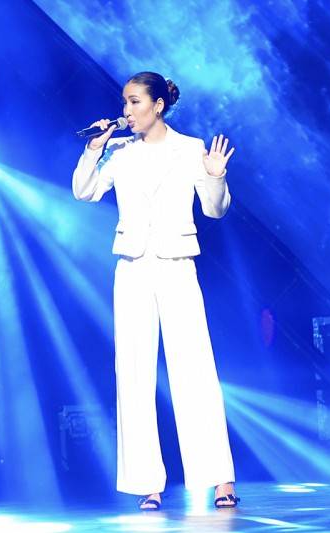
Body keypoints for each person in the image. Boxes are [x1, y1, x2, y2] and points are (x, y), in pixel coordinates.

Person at [72, 71, 239, 510]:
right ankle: (147, 483)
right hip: (132, 266)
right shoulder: (119, 151)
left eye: (134, 102)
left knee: (195, 370)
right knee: (132, 372)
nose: (126, 111)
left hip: (177, 264)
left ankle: (219, 479)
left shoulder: (190, 149)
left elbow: (215, 210)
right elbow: (84, 192)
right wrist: (94, 149)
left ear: (158, 105)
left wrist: (216, 177)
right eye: (125, 103)